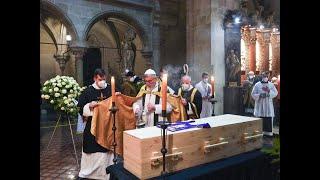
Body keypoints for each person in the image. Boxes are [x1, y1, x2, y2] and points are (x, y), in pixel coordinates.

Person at [77, 68, 115, 180]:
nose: (102, 81)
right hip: (92, 125)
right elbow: (80, 108)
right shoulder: (87, 91)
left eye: (104, 79)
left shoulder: (110, 89)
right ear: (95, 78)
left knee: (106, 148)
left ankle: (106, 172)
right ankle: (89, 173)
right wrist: (89, 106)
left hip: (107, 125)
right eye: (100, 79)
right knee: (92, 146)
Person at [251, 71, 278, 140]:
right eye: (264, 76)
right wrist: (260, 95)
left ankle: (268, 134)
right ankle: (259, 132)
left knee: (268, 118)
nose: (265, 77)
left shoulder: (271, 85)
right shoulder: (257, 85)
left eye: (266, 76)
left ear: (268, 77)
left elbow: (275, 93)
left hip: (268, 105)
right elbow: (253, 94)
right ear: (261, 76)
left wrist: (269, 92)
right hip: (260, 104)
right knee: (260, 118)